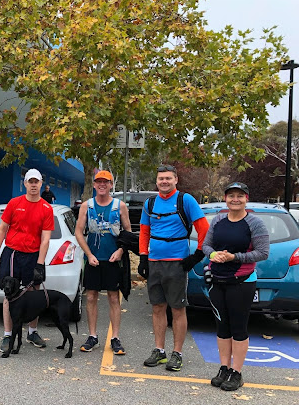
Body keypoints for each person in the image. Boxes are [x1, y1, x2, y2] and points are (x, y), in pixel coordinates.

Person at [138, 164, 209, 371]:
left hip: (177, 263)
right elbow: (144, 231)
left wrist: (197, 255)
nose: (164, 182)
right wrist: (143, 257)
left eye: (168, 178)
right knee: (157, 307)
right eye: (161, 178)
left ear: (176, 180)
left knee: (177, 308)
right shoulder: (150, 203)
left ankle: (177, 353)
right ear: (156, 181)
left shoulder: (186, 200)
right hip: (154, 262)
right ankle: (159, 350)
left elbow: (204, 229)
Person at [203, 182, 269, 390]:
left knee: (238, 327)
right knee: (222, 327)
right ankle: (224, 368)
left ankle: (236, 372)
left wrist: (234, 257)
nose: (235, 199)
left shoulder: (254, 223)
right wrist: (214, 255)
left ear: (246, 199)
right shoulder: (218, 220)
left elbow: (263, 252)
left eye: (240, 196)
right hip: (217, 280)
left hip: (241, 282)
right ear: (226, 198)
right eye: (231, 195)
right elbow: (206, 245)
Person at [0, 168, 55, 353]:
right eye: (30, 181)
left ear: (41, 184)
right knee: (9, 295)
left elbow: (45, 239)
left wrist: (40, 264)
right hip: (12, 254)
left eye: (36, 182)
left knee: (34, 294)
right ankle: (7, 335)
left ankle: (32, 332)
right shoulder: (14, 203)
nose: (33, 185)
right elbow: (2, 229)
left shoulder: (46, 208)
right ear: (25, 184)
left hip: (33, 255)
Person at [75, 170, 131, 355]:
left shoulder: (119, 206)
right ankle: (92, 336)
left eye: (105, 182)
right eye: (99, 181)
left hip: (112, 259)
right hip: (93, 259)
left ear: (111, 185)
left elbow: (128, 233)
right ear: (94, 184)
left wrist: (120, 251)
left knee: (114, 297)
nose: (102, 185)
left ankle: (115, 338)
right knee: (91, 296)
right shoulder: (87, 206)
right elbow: (78, 232)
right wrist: (88, 254)